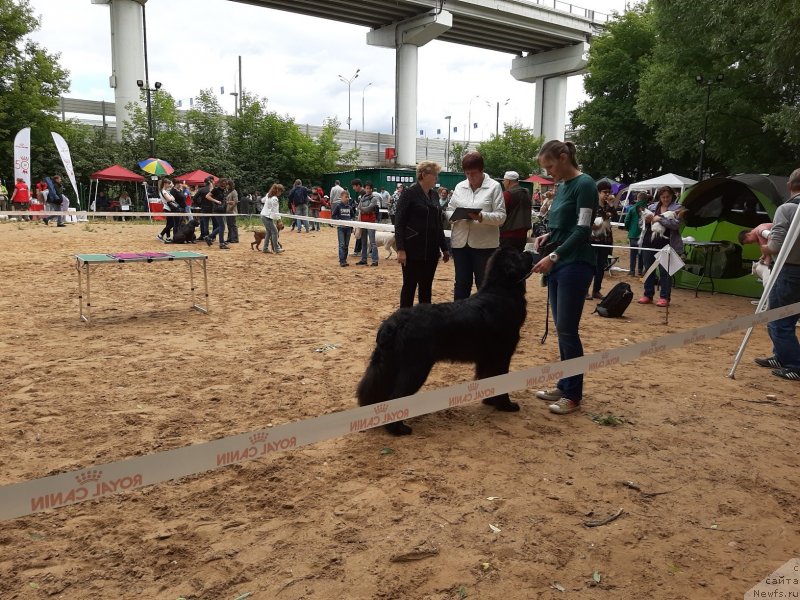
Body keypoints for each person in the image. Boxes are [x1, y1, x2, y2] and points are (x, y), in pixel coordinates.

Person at [531, 140, 598, 415]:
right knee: (562, 329)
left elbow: (583, 229)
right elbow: (565, 225)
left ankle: (573, 394)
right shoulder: (562, 187)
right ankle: (565, 382)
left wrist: (554, 255)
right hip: (561, 263)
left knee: (568, 330)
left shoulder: (585, 184)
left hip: (575, 264)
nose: (549, 172)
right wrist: (549, 236)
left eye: (550, 166)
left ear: (563, 157)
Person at [755, 168, 800, 381]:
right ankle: (781, 356)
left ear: (789, 185)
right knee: (789, 317)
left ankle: (794, 364)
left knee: (777, 320)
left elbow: (777, 244)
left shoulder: (787, 208)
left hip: (789, 267)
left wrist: (766, 249)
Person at [446, 151, 506, 300]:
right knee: (461, 284)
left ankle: (486, 321)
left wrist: (481, 217)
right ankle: (459, 320)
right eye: (467, 173)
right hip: (460, 243)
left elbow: (501, 217)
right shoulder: (460, 186)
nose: (470, 177)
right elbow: (449, 210)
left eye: (473, 173)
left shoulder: (494, 187)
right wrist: (453, 217)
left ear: (482, 170)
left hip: (485, 246)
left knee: (484, 284)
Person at [395, 161, 450, 307]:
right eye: (435, 175)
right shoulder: (409, 193)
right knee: (409, 287)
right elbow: (399, 223)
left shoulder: (434, 195)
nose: (437, 178)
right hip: (412, 250)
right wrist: (400, 249)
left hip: (431, 252)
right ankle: (404, 322)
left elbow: (438, 224)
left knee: (426, 288)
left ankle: (424, 323)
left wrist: (444, 248)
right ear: (424, 175)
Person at [637, 186, 683, 307]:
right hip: (649, 241)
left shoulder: (678, 208)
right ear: (660, 197)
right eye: (663, 197)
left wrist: (660, 219)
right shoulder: (652, 207)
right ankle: (648, 294)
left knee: (665, 271)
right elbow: (640, 223)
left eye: (668, 197)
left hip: (667, 244)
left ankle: (664, 297)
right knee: (648, 268)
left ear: (672, 196)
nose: (665, 199)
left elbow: (676, 225)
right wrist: (645, 221)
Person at [587, 180, 618, 300]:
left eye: (609, 192)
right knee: (590, 265)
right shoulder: (592, 205)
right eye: (605, 192)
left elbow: (615, 216)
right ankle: (585, 290)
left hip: (605, 240)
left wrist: (611, 205)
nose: (607, 194)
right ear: (598, 192)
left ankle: (596, 290)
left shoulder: (608, 205)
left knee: (601, 266)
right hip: (593, 240)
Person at [499, 171, 532, 252]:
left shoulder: (507, 194)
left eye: (504, 181)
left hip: (507, 235)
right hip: (522, 236)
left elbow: (500, 214)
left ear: (508, 181)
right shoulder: (526, 193)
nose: (503, 183)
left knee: (506, 262)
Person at [623, 192, 648, 276]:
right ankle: (640, 270)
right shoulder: (648, 209)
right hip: (644, 235)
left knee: (633, 253)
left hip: (633, 234)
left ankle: (632, 271)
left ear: (638, 198)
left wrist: (628, 229)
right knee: (641, 253)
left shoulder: (632, 208)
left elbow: (626, 221)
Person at [356, 181, 380, 266]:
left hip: (371, 221)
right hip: (363, 221)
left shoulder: (374, 198)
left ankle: (375, 260)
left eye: (369, 188)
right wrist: (363, 208)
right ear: (365, 189)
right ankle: (363, 259)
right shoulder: (363, 197)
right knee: (363, 241)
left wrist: (362, 208)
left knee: (373, 242)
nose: (368, 190)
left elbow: (369, 209)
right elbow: (358, 208)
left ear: (372, 189)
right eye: (367, 188)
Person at [260, 183, 284, 254]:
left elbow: (262, 200)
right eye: (280, 191)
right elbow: (276, 211)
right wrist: (279, 220)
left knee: (269, 232)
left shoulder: (268, 195)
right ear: (278, 191)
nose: (281, 193)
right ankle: (276, 248)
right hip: (267, 217)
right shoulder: (275, 199)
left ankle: (265, 248)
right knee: (275, 232)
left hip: (264, 215)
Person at [205, 178, 229, 249]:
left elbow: (222, 200)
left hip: (222, 210)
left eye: (226, 183)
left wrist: (227, 202)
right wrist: (216, 201)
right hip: (217, 210)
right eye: (224, 183)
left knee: (222, 226)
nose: (225, 184)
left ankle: (209, 237)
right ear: (220, 183)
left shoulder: (224, 190)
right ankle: (221, 243)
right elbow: (207, 196)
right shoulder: (215, 189)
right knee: (222, 226)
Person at [332, 190, 355, 266]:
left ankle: (344, 259)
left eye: (348, 197)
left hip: (348, 228)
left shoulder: (350, 207)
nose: (347, 198)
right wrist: (338, 221)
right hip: (341, 228)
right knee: (342, 244)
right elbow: (333, 216)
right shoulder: (338, 206)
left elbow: (352, 216)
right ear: (341, 197)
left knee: (346, 245)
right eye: (346, 197)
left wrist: (351, 225)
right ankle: (342, 260)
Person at [350, 179, 365, 255]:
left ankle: (361, 251)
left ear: (358, 185)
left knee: (362, 233)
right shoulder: (361, 193)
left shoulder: (363, 193)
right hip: (361, 215)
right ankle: (358, 250)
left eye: (354, 186)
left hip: (364, 217)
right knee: (360, 233)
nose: (353, 188)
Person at [225, 179, 239, 243]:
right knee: (229, 224)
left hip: (232, 211)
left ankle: (235, 238)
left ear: (230, 185)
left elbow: (236, 202)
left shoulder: (234, 192)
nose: (226, 186)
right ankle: (230, 237)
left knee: (233, 225)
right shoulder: (228, 192)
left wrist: (228, 203)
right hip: (228, 211)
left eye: (227, 184)